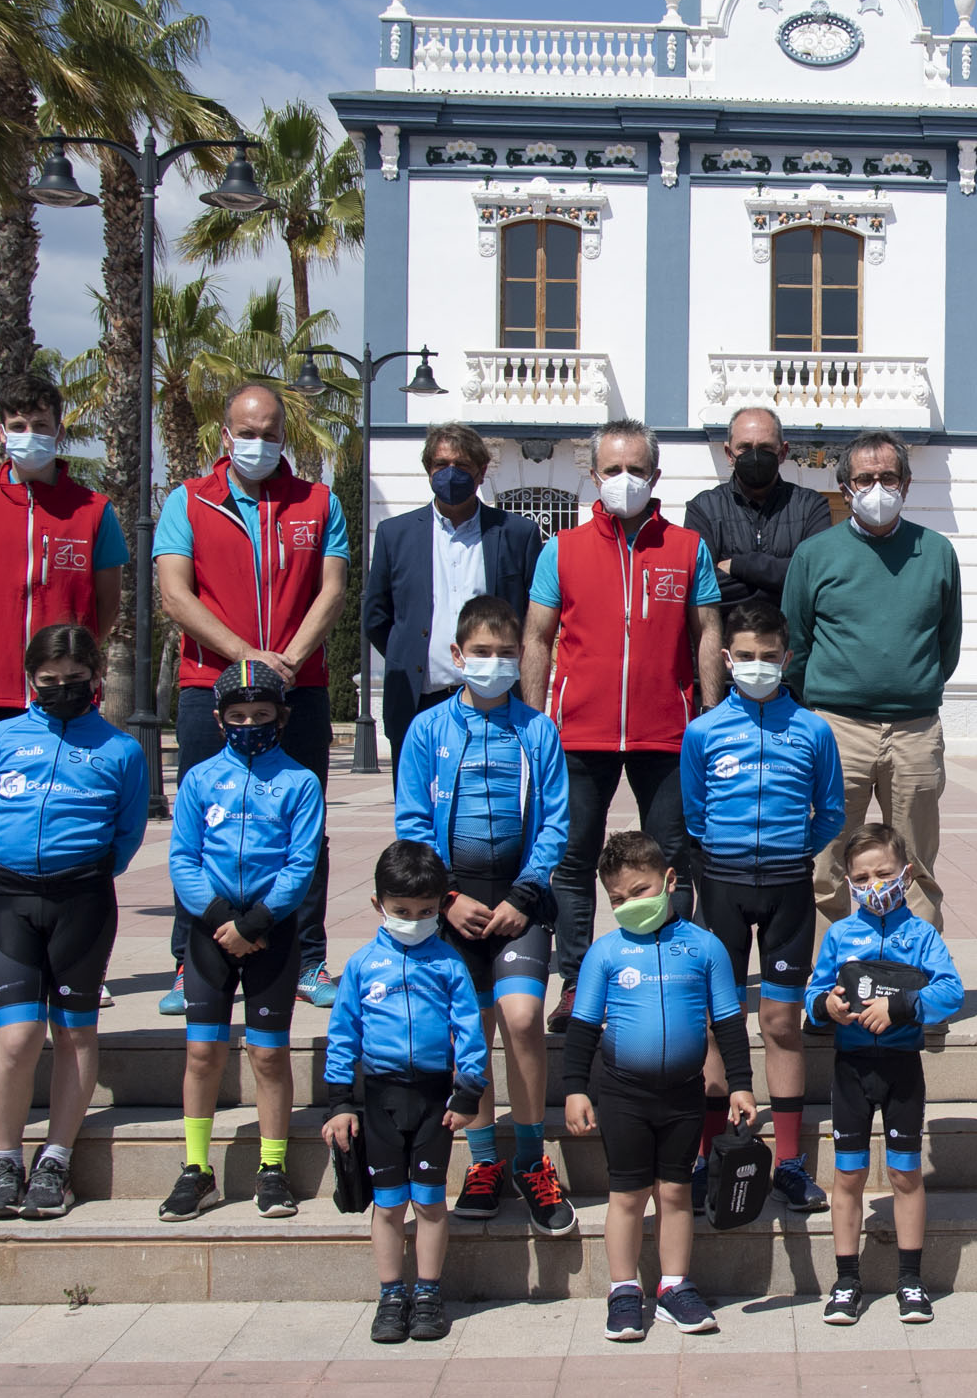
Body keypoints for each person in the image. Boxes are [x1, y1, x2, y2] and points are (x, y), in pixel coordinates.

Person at [157, 382, 352, 1013]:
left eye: (270, 433)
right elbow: (174, 596)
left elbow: (333, 590)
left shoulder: (318, 503)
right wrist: (248, 658)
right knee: (203, 825)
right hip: (207, 689)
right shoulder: (187, 502)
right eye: (248, 432)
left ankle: (308, 958)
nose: (259, 443)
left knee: (304, 827)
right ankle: (191, 962)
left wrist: (288, 663)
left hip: (301, 686)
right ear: (224, 434)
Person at [523, 418, 724, 1029]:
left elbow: (709, 630)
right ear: (593, 475)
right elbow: (535, 636)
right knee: (573, 860)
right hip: (579, 734)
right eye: (613, 469)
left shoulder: (688, 548)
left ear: (656, 474)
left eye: (637, 469)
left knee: (674, 861)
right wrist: (533, 724)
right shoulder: (561, 548)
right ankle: (577, 980)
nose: (625, 480)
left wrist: (712, 721)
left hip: (667, 734)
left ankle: (675, 971)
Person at [0, 373, 127, 1010]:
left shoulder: (94, 511)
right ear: (0, 428)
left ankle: (77, 963)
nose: (29, 435)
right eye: (17, 424)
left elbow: (104, 607)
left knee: (75, 820)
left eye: (40, 424)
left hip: (65, 696)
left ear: (60, 428)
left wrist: (63, 670)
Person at [396, 595, 576, 1236]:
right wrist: (445, 897)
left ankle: (531, 1161)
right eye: (482, 653)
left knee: (524, 1018)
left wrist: (524, 895)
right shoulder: (427, 731)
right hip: (454, 906)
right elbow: (412, 824)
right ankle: (482, 1163)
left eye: (507, 653)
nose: (495, 663)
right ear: (457, 656)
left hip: (518, 901)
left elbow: (556, 822)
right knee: (468, 1031)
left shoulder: (538, 730)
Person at [0, 624, 149, 1222]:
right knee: (17, 1037)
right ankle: (4, 1159)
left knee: (74, 1033)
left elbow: (126, 836)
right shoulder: (1, 738)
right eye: (48, 683)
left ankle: (56, 1160)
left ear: (96, 680)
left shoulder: (121, 749)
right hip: (11, 901)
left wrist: (84, 871)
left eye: (75, 682)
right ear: (31, 681)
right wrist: (7, 866)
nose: (62, 691)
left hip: (83, 902)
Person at [681, 599, 846, 1213]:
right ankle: (706, 1154)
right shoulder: (702, 733)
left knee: (780, 1023)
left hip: (786, 890)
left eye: (768, 657)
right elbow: (695, 812)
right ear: (726, 660)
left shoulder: (813, 730)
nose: (756, 667)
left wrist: (789, 851)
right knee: (714, 1027)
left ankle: (790, 1162)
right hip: (722, 887)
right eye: (744, 658)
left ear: (788, 657)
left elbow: (829, 811)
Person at [562, 831, 755, 1341]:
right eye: (618, 899)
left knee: (674, 1193)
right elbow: (582, 1026)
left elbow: (730, 1021)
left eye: (641, 891)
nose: (629, 905)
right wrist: (575, 1089)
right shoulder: (605, 953)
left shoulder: (704, 946)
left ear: (670, 881)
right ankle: (624, 1290)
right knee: (626, 1195)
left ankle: (673, 1287)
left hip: (685, 1094)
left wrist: (740, 1084)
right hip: (623, 1093)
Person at [160, 660, 326, 1222]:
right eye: (237, 715)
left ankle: (272, 1168)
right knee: (203, 1053)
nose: (249, 723)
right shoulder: (200, 779)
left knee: (267, 1054)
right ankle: (195, 1169)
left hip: (270, 933)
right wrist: (216, 918)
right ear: (219, 718)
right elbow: (183, 856)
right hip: (211, 932)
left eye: (261, 714)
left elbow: (302, 862)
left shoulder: (300, 783)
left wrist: (254, 923)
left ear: (281, 717)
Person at [786, 429, 962, 926]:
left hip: (915, 729)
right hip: (838, 729)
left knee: (916, 861)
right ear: (845, 488)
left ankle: (914, 975)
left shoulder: (937, 552)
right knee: (827, 860)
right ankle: (830, 982)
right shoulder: (815, 555)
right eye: (865, 478)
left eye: (888, 477)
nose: (877, 488)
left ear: (906, 484)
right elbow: (795, 642)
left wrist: (911, 683)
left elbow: (946, 642)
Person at [321, 840, 489, 1346]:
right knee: (389, 1205)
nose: (413, 920)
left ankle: (430, 1291)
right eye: (401, 911)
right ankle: (392, 1294)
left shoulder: (449, 965)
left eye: (425, 912)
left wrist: (467, 1094)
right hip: (380, 1100)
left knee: (431, 1203)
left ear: (440, 907)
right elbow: (343, 1034)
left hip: (435, 1101)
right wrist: (338, 1102)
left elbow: (471, 1034)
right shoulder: (361, 965)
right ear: (378, 905)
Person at [807, 823, 963, 1327]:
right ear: (848, 881)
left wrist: (904, 1005)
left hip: (901, 1071)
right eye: (862, 876)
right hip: (850, 1070)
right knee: (848, 1174)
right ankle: (846, 1281)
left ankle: (910, 1280)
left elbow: (951, 993)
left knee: (903, 1173)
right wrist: (825, 1006)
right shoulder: (838, 934)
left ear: (906, 874)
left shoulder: (921, 935)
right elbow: (814, 994)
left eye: (884, 873)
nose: (874, 883)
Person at [363, 421, 543, 768]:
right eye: (441, 465)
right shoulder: (394, 534)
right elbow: (376, 616)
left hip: (497, 702)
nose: (450, 473)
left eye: (461, 466)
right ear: (428, 470)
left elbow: (533, 616)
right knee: (419, 811)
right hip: (418, 702)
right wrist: (411, 653)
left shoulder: (517, 533)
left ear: (481, 472)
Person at [681, 405, 833, 612]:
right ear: (728, 453)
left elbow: (816, 576)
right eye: (745, 447)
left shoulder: (811, 507)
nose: (755, 456)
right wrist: (780, 585)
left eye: (765, 448)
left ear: (783, 452)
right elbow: (700, 584)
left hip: (790, 642)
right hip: (727, 641)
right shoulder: (703, 509)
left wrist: (740, 566)